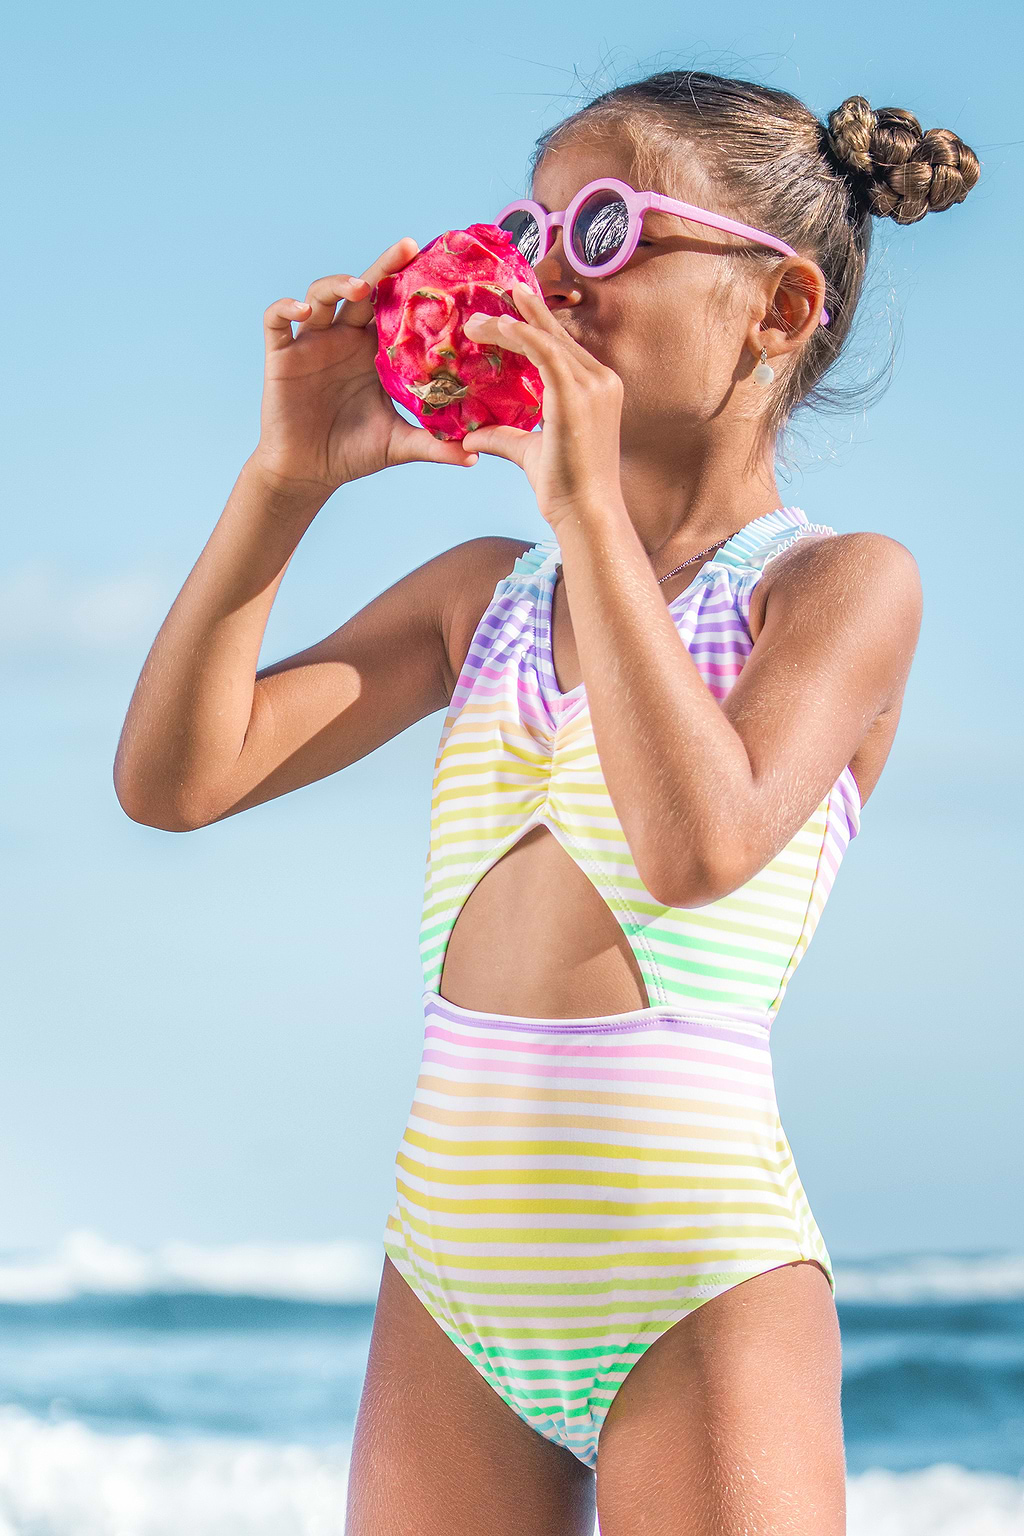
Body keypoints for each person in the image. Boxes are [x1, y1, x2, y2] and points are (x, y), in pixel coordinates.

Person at [114, 70, 979, 1536]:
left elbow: (699, 845)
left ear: (775, 311)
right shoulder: (481, 604)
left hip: (694, 1283)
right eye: (531, 229)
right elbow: (175, 781)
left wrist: (584, 504)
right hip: (449, 1275)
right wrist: (287, 482)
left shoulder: (834, 590)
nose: (542, 278)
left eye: (604, 230)